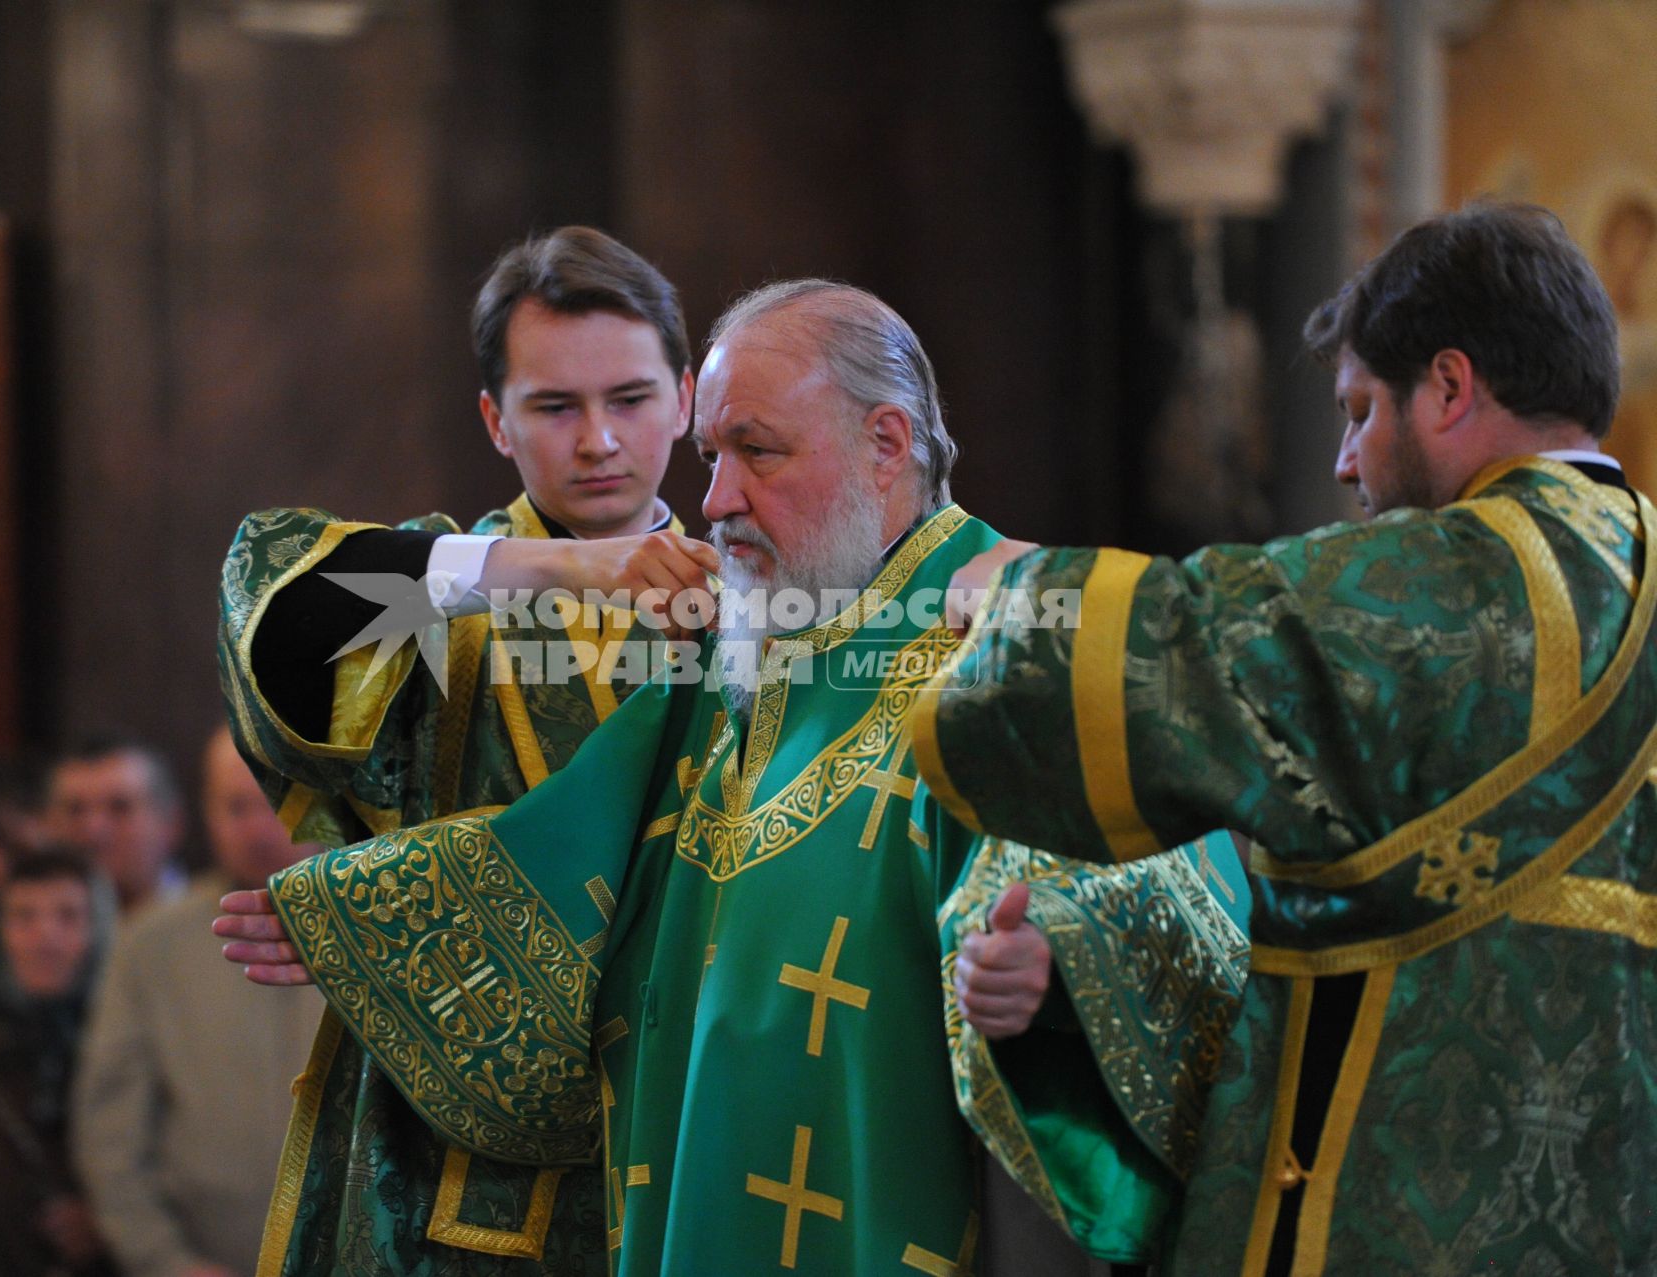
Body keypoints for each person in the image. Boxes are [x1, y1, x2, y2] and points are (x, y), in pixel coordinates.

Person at [219, 281, 1247, 1273]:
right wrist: (379, 919)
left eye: (751, 451)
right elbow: (578, 843)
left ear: (887, 444)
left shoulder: (1006, 621)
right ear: (494, 417)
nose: (707, 497)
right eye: (714, 456)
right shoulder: (737, 639)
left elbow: (1166, 872)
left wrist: (1057, 961)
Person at [923, 202, 1653, 1272]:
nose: (1348, 460)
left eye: (1361, 409)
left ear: (1449, 387)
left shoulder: (1455, 577)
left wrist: (1006, 591)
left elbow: (1159, 657)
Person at [219, 226, 715, 1274]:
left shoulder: (765, 603)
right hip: (458, 1158)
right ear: (495, 419)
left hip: (700, 1109)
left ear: (687, 398)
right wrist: (560, 567)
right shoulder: (445, 602)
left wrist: (375, 916)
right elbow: (277, 605)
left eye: (629, 399)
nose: (598, 442)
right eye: (554, 406)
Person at [72, 728, 323, 1277]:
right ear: (201, 812)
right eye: (235, 805)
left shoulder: (383, 931)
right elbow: (111, 1134)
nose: (256, 826)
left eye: (276, 799)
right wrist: (165, 1262)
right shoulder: (151, 943)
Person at [0, 848, 113, 1277]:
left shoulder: (127, 1033)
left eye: (68, 916)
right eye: (23, 917)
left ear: (100, 929)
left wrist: (111, 1222)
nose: (44, 936)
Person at [45, 734, 187, 917]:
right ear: (47, 824)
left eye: (119, 807)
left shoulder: (222, 930)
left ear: (171, 823)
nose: (93, 830)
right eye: (75, 810)